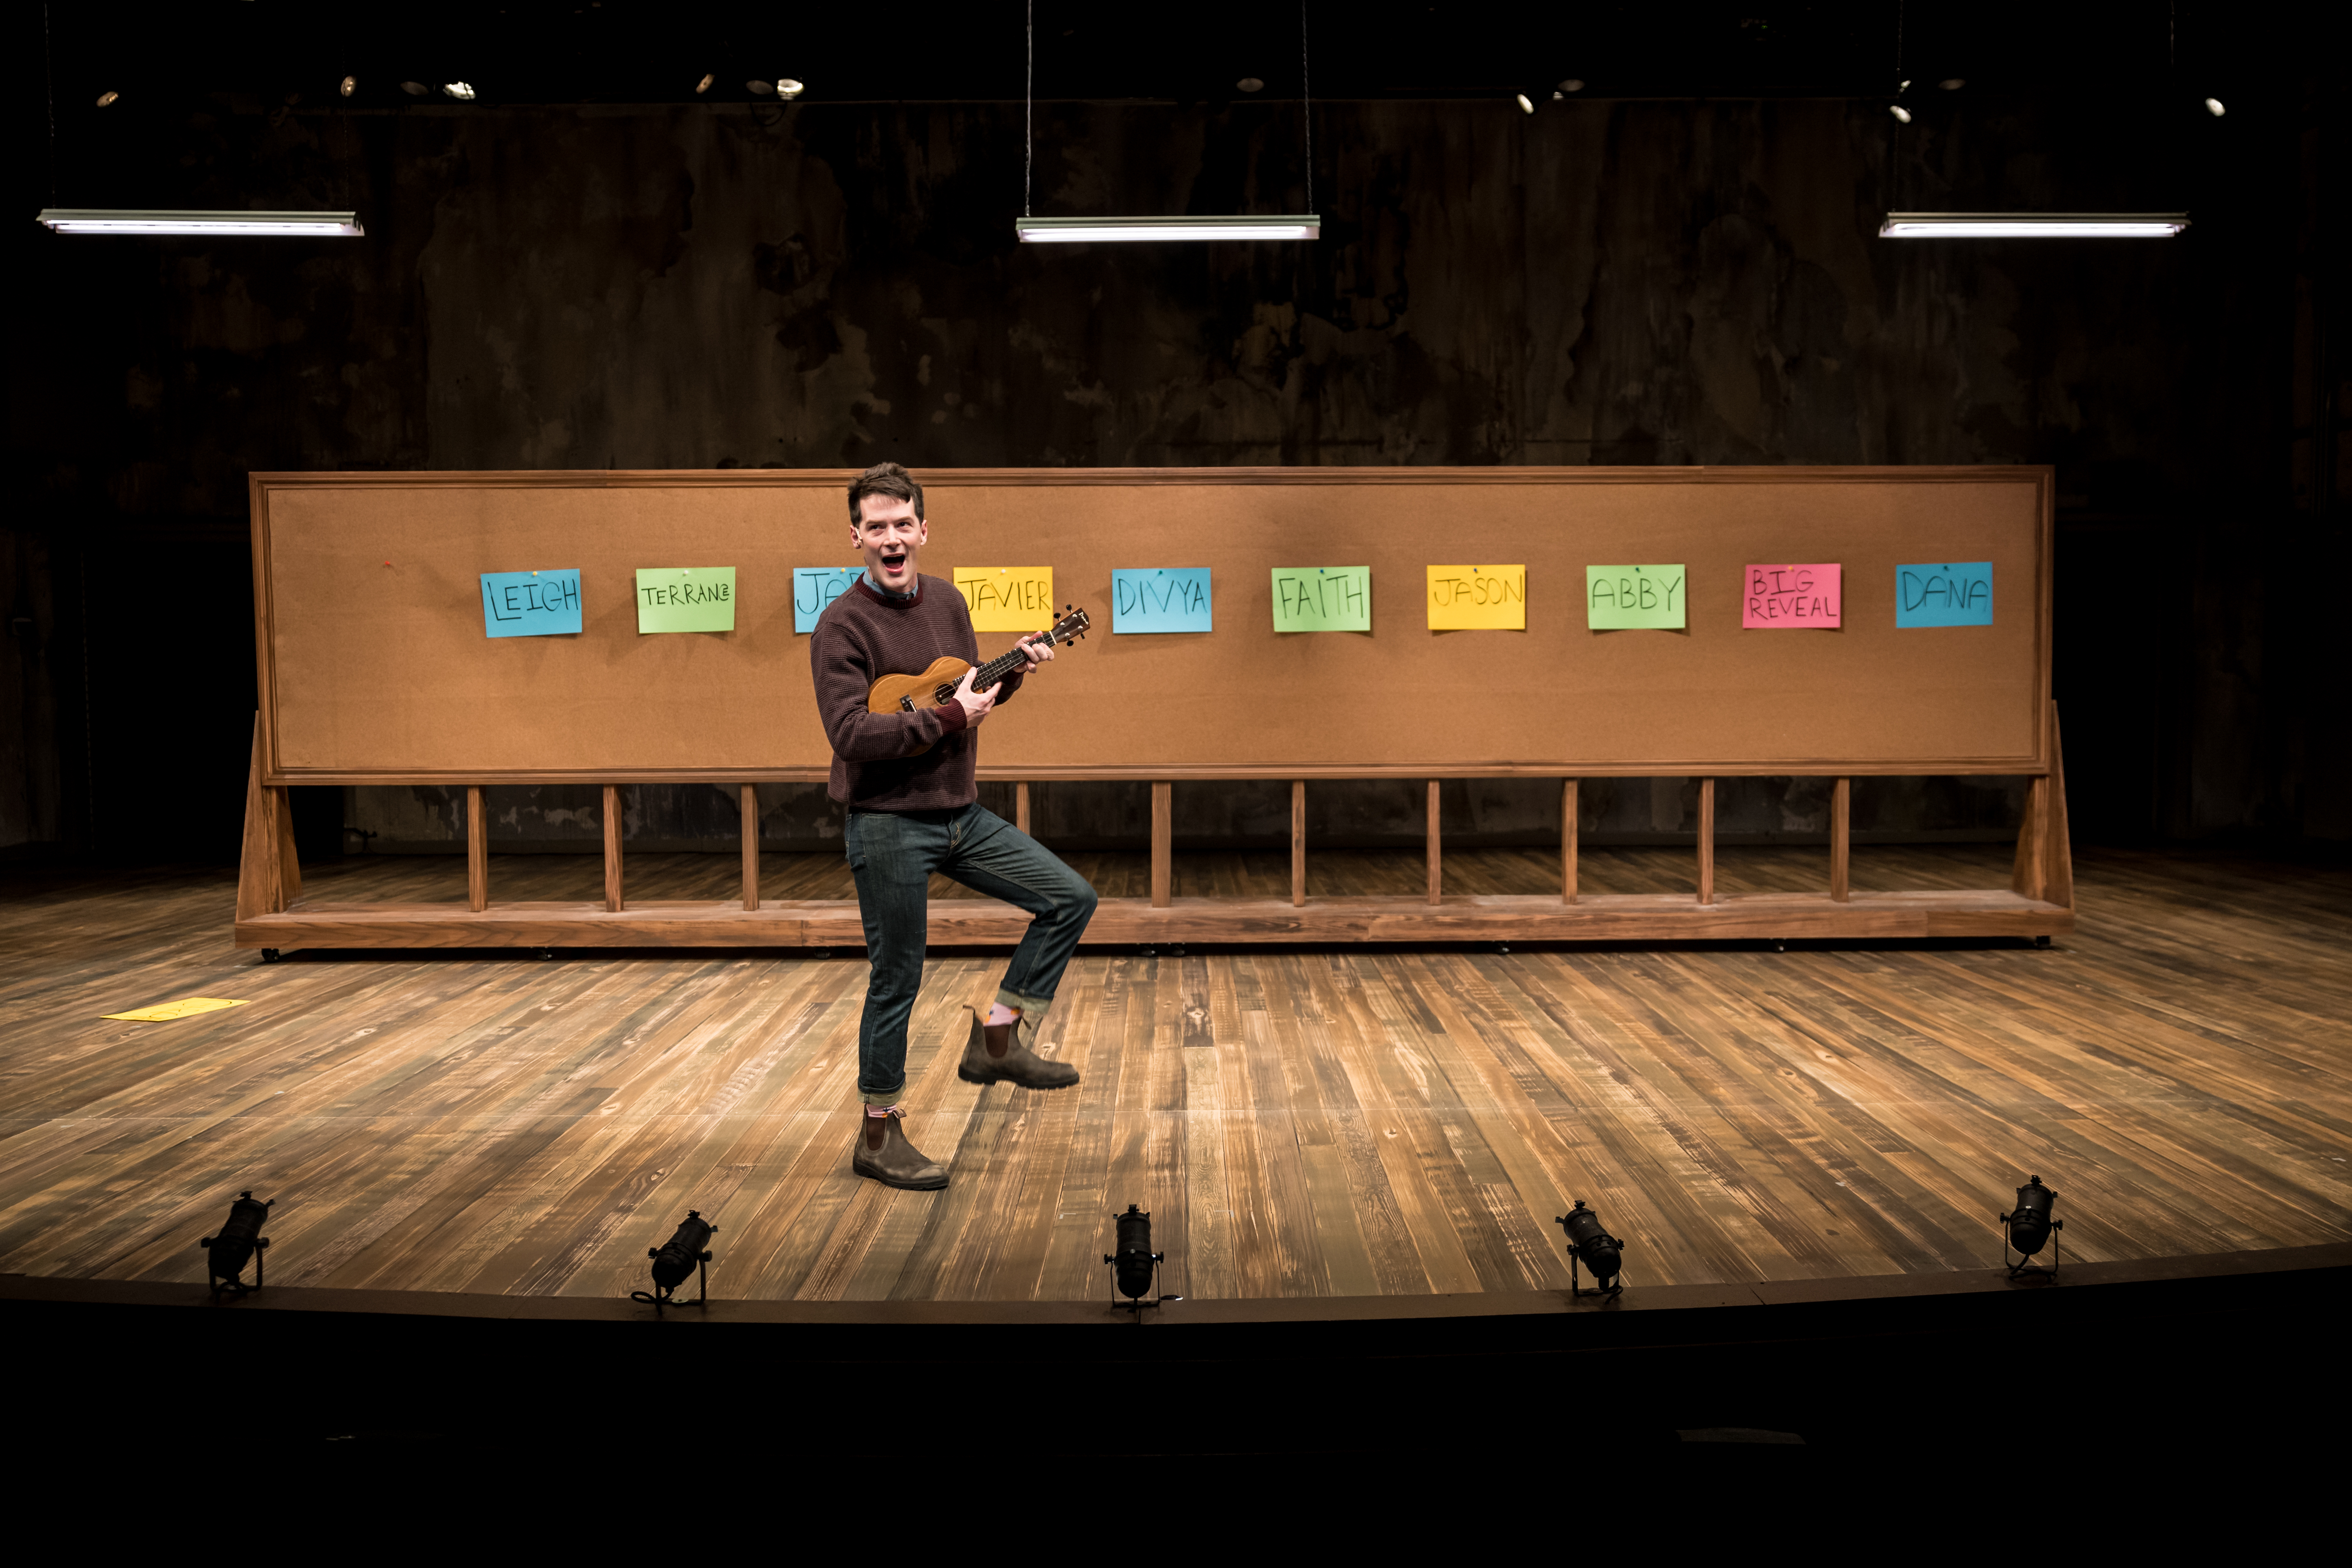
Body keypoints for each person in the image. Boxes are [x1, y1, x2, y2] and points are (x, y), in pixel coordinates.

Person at [809, 462, 1100, 1190]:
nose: (891, 538)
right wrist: (946, 716)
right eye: (876, 526)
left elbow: (969, 692)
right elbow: (851, 732)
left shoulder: (947, 599)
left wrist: (1019, 669)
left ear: (923, 529)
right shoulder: (841, 625)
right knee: (898, 975)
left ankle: (999, 1038)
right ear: (856, 538)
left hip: (958, 813)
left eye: (902, 523)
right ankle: (878, 1134)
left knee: (1070, 898)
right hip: (886, 825)